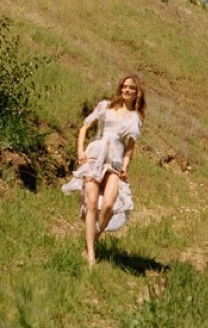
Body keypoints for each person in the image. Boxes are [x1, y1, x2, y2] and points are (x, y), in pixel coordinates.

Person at [61, 74, 146, 265]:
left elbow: (130, 148)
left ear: (137, 93)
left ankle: (93, 239)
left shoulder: (135, 118)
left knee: (108, 205)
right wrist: (80, 151)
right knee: (92, 203)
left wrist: (125, 168)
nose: (127, 90)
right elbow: (85, 128)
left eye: (131, 88)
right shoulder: (105, 106)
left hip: (114, 162)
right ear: (120, 88)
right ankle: (91, 254)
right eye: (124, 86)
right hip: (95, 156)